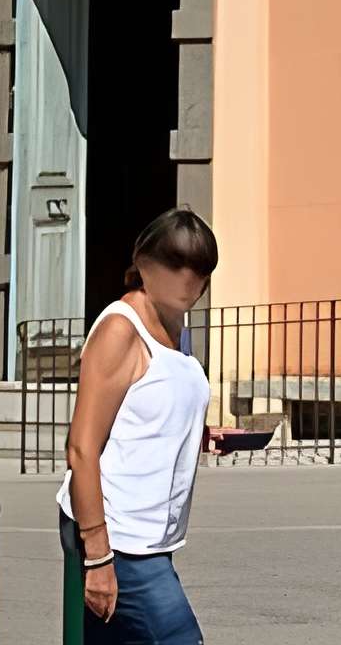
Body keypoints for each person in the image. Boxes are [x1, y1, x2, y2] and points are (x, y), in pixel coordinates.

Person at [63, 207, 222, 643]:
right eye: (176, 264)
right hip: (119, 535)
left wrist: (202, 436)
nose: (190, 279)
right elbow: (80, 446)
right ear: (145, 262)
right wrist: (97, 554)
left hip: (153, 538)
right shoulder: (121, 330)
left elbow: (154, 409)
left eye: (200, 268)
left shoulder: (176, 323)